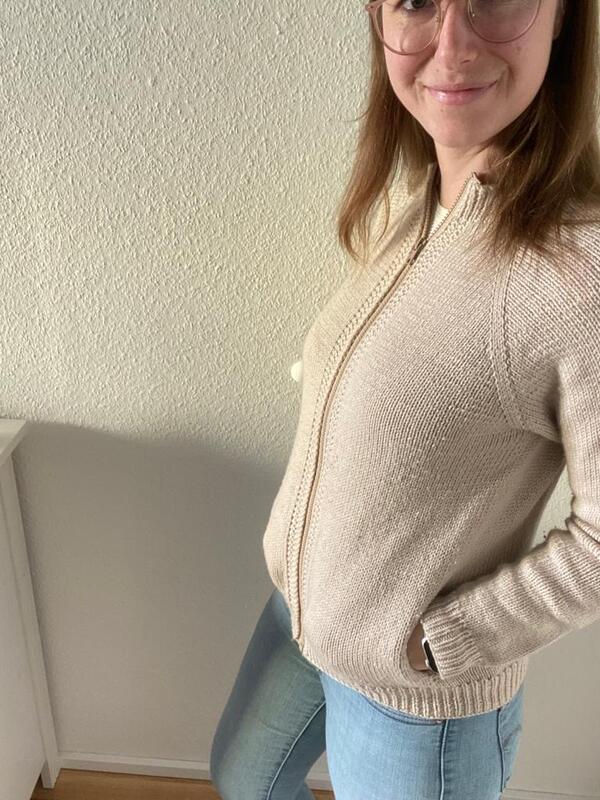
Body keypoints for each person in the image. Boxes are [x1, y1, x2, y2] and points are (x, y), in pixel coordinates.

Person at [210, 1, 600, 797]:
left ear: (562, 15)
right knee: (244, 779)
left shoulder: (577, 271)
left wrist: (442, 641)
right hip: (302, 618)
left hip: (414, 703)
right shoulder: (420, 198)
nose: (452, 44)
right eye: (417, 0)